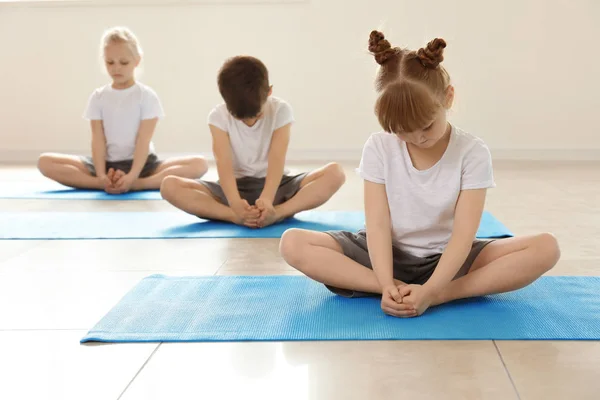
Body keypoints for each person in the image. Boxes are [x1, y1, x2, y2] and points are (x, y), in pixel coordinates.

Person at [279, 31, 560, 317]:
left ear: (448, 97)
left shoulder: (472, 152)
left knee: (546, 247)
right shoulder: (379, 147)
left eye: (425, 127)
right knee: (292, 243)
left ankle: (441, 295)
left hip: (450, 258)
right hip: (384, 255)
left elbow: (463, 236)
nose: (416, 139)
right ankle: (396, 290)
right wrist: (386, 282)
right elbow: (377, 224)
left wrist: (433, 291)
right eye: (402, 132)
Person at [161, 56, 345, 227]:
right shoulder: (218, 117)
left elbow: (277, 158)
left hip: (277, 186)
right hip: (233, 187)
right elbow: (223, 162)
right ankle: (233, 216)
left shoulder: (281, 110)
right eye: (240, 119)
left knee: (335, 173)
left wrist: (267, 198)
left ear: (270, 92)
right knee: (169, 186)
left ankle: (278, 213)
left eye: (256, 115)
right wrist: (234, 205)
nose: (249, 122)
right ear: (225, 101)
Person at [38, 27, 207, 194]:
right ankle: (101, 184)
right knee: (44, 162)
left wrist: (133, 176)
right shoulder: (98, 96)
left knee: (199, 164)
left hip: (144, 165)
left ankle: (139, 184)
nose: (116, 68)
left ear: (137, 60)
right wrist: (101, 175)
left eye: (123, 62)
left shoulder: (146, 96)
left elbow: (143, 140)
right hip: (105, 164)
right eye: (110, 62)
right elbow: (97, 139)